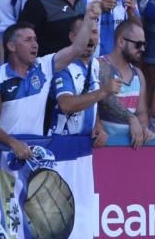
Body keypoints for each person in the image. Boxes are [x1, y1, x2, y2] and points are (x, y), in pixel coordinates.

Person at [0, 1, 103, 147]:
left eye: (35, 39)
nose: (35, 45)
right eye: (28, 40)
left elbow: (77, 49)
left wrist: (89, 19)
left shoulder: (44, 66)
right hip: (3, 153)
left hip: (36, 152)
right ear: (11, 46)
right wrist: (13, 143)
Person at [50, 15, 120, 146]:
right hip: (62, 143)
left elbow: (91, 100)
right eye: (85, 32)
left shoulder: (95, 64)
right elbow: (65, 105)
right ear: (72, 37)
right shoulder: (63, 65)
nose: (91, 37)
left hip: (86, 143)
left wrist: (97, 124)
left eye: (94, 32)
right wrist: (103, 92)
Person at [97, 20, 155, 148]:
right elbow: (98, 104)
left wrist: (144, 128)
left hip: (130, 147)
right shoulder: (99, 65)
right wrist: (98, 127)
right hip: (103, 145)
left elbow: (142, 113)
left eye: (144, 44)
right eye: (138, 44)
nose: (143, 49)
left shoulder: (138, 74)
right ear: (121, 42)